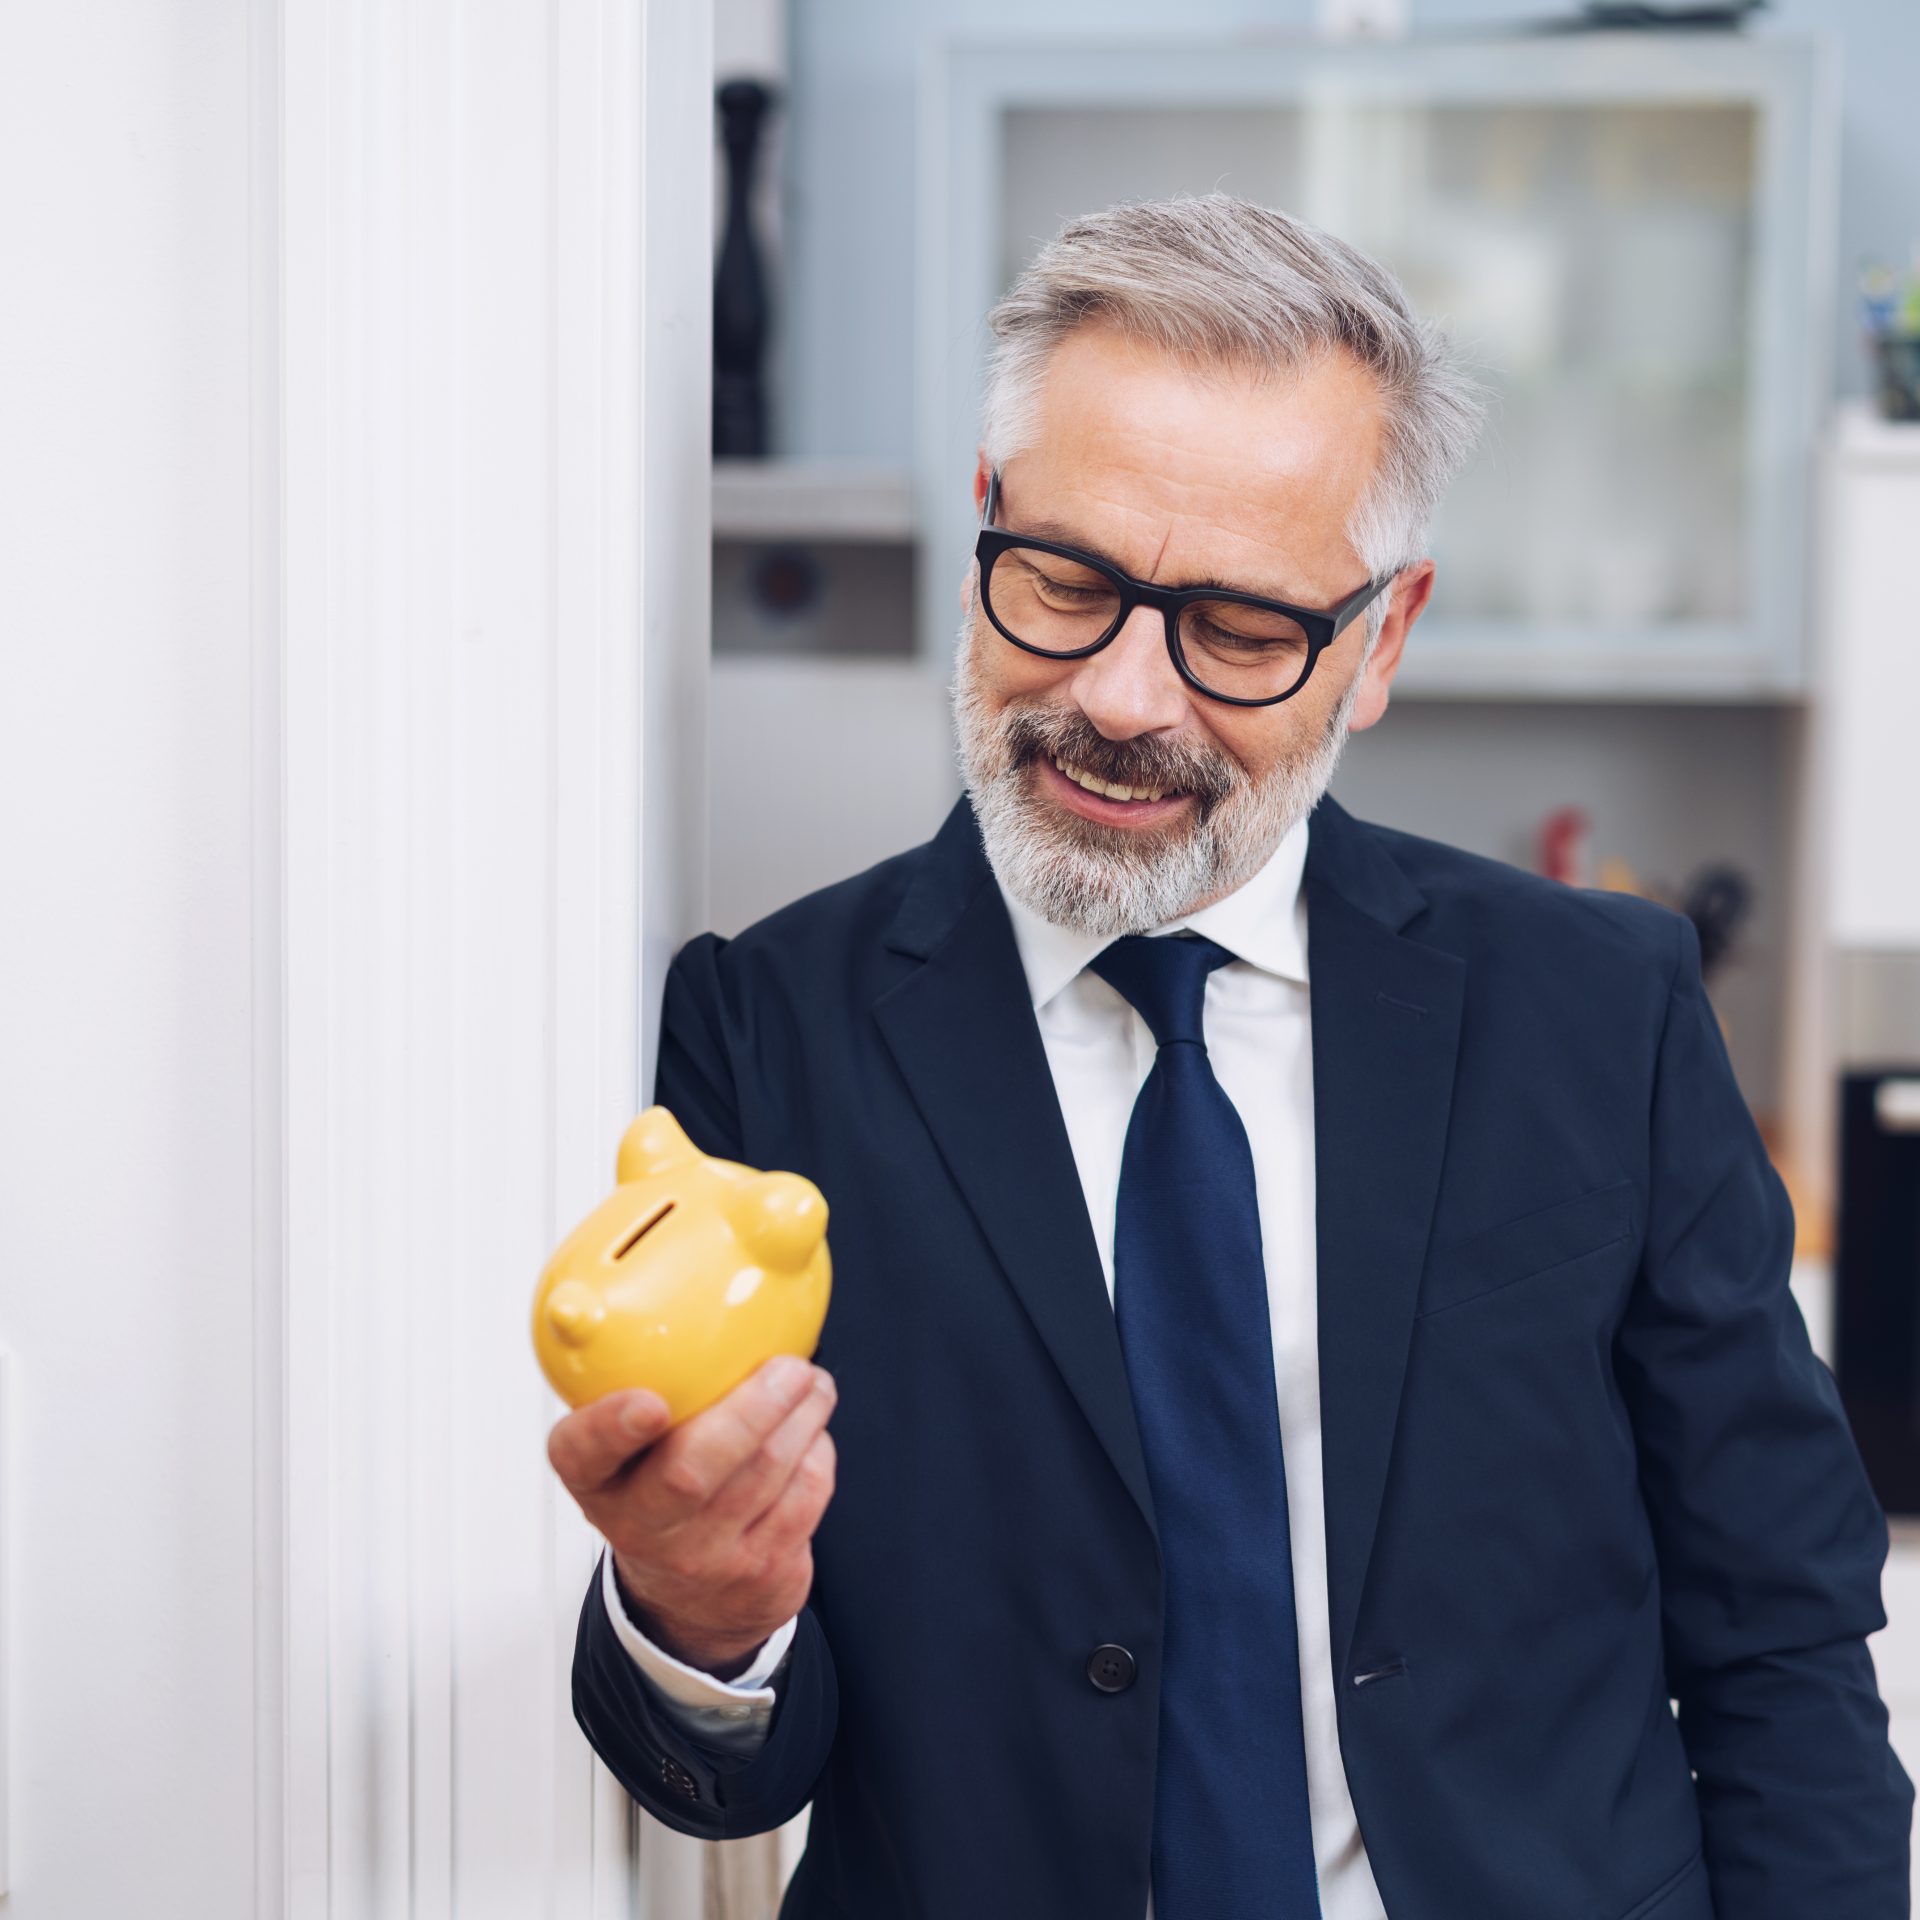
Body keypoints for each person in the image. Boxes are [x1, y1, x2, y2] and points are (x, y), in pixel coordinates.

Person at [548, 194, 1913, 1918]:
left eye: (1242, 631)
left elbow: (1780, 1626)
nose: (1123, 697)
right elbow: (733, 1772)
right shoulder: (766, 1024)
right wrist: (701, 1616)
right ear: (989, 525)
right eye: (1065, 580)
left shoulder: (1599, 1005)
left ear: (1382, 640)